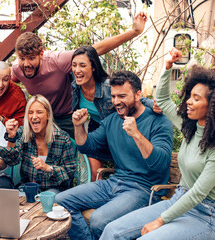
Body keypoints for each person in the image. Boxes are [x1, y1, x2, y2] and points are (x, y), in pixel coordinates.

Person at [100, 48, 215, 240]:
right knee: (113, 231)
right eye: (189, 95)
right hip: (178, 199)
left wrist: (160, 220)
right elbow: (161, 99)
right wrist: (167, 67)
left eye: (196, 98)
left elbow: (197, 194)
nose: (188, 101)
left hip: (205, 214)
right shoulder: (189, 128)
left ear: (211, 105)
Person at [0, 12, 148, 138]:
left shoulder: (57, 60)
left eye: (31, 58)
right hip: (42, 118)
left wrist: (134, 32)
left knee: (79, 153)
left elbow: (95, 50)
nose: (27, 63)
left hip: (67, 116)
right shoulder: (17, 69)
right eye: (22, 58)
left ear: (41, 54)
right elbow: (0, 79)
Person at [55, 70, 173, 240]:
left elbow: (160, 163)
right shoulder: (112, 120)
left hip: (144, 189)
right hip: (114, 182)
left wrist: (137, 135)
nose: (116, 102)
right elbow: (87, 146)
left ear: (138, 95)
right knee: (61, 201)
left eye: (122, 96)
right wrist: (79, 126)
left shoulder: (159, 121)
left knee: (98, 220)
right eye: (113, 96)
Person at [71, 45, 155, 181]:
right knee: (94, 172)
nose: (77, 70)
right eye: (74, 65)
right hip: (99, 129)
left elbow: (136, 97)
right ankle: (95, 198)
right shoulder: (75, 87)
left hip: (119, 130)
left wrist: (154, 105)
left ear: (93, 67)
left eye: (82, 65)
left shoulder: (107, 86)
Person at [0, 94, 76, 193]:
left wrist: (48, 168)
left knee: (49, 199)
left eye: (39, 112)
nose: (34, 117)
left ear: (48, 115)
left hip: (54, 189)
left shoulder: (62, 138)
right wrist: (11, 138)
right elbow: (11, 161)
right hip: (27, 187)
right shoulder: (23, 133)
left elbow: (70, 173)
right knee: (16, 202)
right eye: (30, 112)